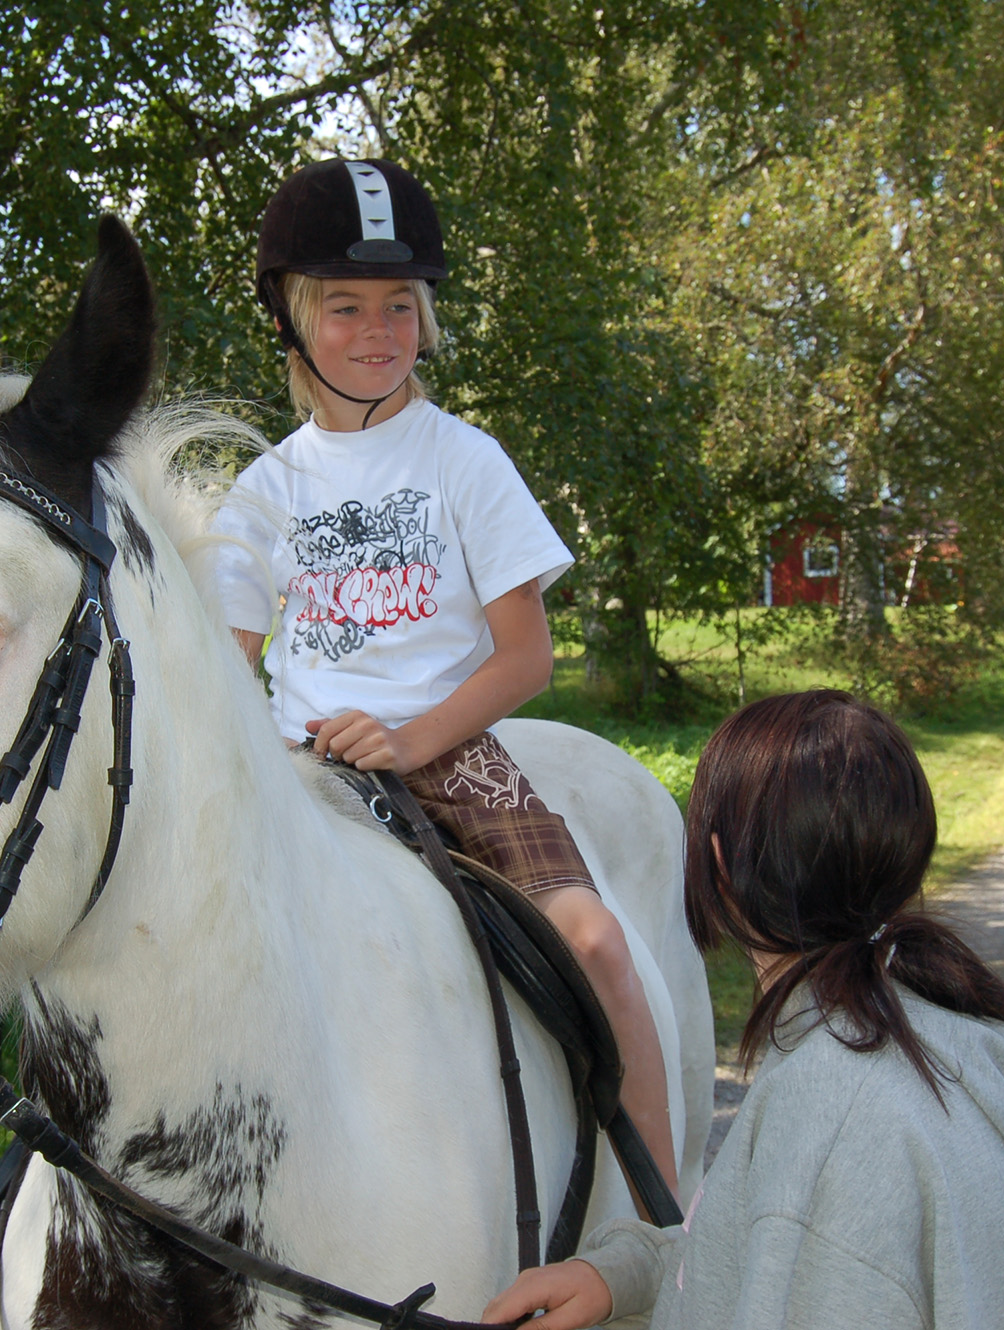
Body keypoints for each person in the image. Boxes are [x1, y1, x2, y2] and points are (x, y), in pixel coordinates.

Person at [210, 157, 680, 1201]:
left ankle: (658, 1207)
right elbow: (223, 662)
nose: (378, 331)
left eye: (400, 306)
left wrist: (413, 738)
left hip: (450, 754)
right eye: (345, 307)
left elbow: (526, 656)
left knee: (595, 939)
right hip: (305, 767)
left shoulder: (464, 459)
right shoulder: (262, 488)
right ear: (291, 322)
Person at [482, 689, 1004, 1328]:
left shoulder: (833, 1108)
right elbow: (783, 1259)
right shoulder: (925, 1040)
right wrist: (629, 1275)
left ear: (720, 867)